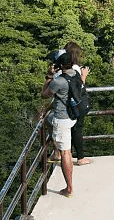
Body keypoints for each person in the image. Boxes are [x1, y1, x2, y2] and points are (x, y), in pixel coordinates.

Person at [42, 51, 78, 197]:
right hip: (72, 116)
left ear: (60, 65)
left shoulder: (59, 81)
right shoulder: (75, 74)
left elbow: (44, 94)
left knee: (66, 153)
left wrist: (49, 76)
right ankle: (57, 152)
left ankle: (69, 188)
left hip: (62, 119)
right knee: (67, 150)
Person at [63, 41, 92, 166]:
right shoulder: (74, 68)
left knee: (70, 130)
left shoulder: (63, 67)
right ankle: (80, 157)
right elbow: (78, 89)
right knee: (77, 129)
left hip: (66, 103)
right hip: (76, 104)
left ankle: (65, 154)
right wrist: (84, 76)